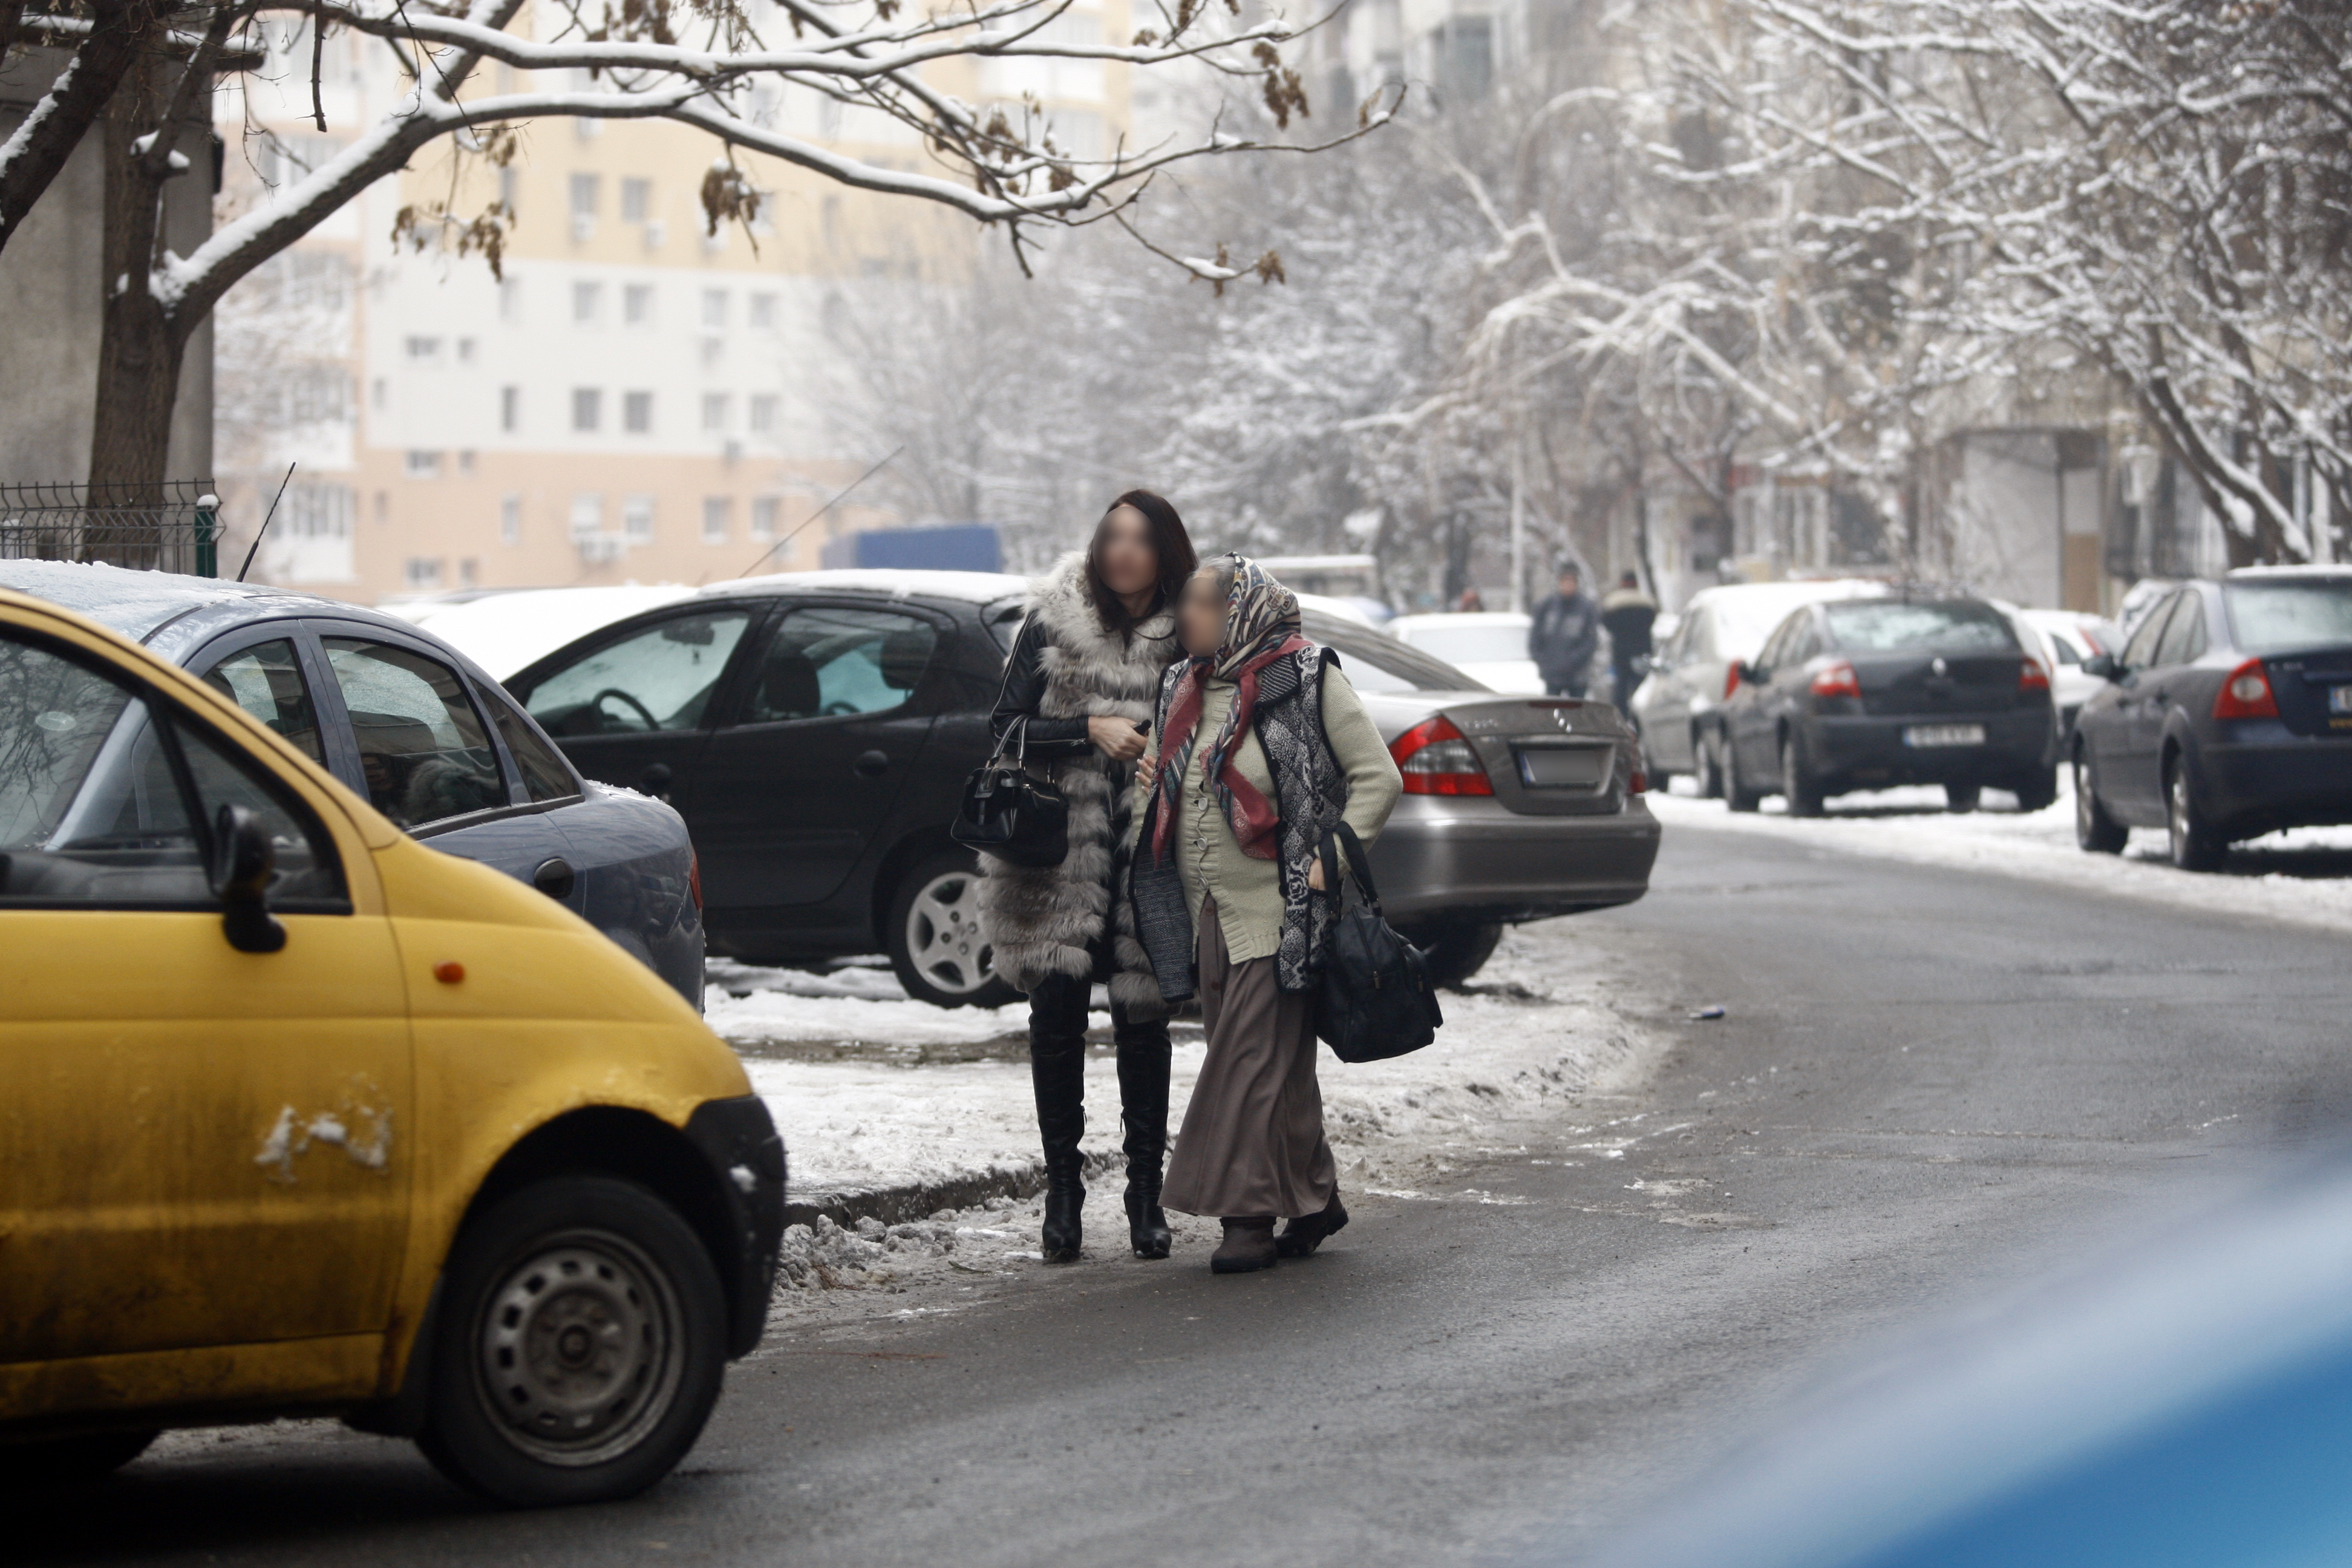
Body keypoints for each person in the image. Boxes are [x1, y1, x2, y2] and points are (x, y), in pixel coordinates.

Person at [1130, 556, 1404, 1275]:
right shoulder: (1181, 684)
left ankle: (1246, 1217)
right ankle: (1315, 1198)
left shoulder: (1305, 676)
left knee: (1245, 1063)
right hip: (1203, 909)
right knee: (1271, 1064)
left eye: (1198, 602)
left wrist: (1330, 862)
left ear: (1239, 612)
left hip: (1283, 908)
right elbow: (1167, 785)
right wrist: (1150, 781)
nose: (1183, 615)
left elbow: (1380, 778)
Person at [978, 491, 1198, 1263]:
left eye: (1140, 539)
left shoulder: (1189, 629)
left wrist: (1164, 753)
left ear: (1165, 551)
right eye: (1112, 537)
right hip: (1056, 857)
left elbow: (1216, 728)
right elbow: (1003, 727)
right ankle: (1063, 1195)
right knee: (1056, 1024)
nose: (1122, 552)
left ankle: (1145, 1196)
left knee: (1145, 1024)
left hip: (1151, 853)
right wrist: (1087, 730)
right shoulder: (1055, 620)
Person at [1529, 561, 1601, 697]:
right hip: (1552, 673)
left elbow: (1591, 640)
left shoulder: (1586, 608)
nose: (1567, 585)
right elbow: (1536, 636)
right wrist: (1543, 660)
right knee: (1551, 706)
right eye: (1564, 581)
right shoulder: (1546, 606)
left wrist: (1574, 660)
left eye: (1571, 581)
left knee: (1576, 707)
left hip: (1577, 675)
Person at [1600, 569, 1660, 711]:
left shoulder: (1612, 603)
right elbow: (1652, 620)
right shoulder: (1647, 602)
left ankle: (1621, 715)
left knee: (1620, 687)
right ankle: (1638, 715)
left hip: (1621, 651)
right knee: (1640, 687)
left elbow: (1606, 623)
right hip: (1642, 650)